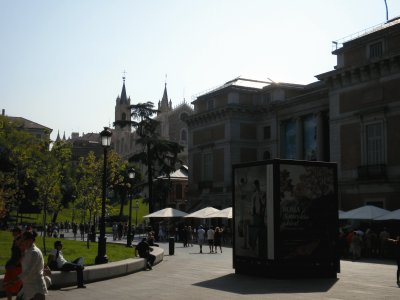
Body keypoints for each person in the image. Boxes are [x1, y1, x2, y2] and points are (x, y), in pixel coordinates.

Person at [17, 230, 48, 300]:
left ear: (30, 240)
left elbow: (29, 271)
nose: (22, 242)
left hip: (36, 288)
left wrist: (15, 280)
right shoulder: (28, 251)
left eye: (23, 240)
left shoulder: (34, 252)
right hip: (27, 286)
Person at [3, 227, 23, 300]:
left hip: (17, 267)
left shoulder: (20, 240)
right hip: (12, 265)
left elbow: (23, 254)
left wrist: (17, 263)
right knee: (8, 284)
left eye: (14, 231)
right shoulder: (15, 240)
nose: (12, 233)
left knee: (15, 284)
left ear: (18, 232)